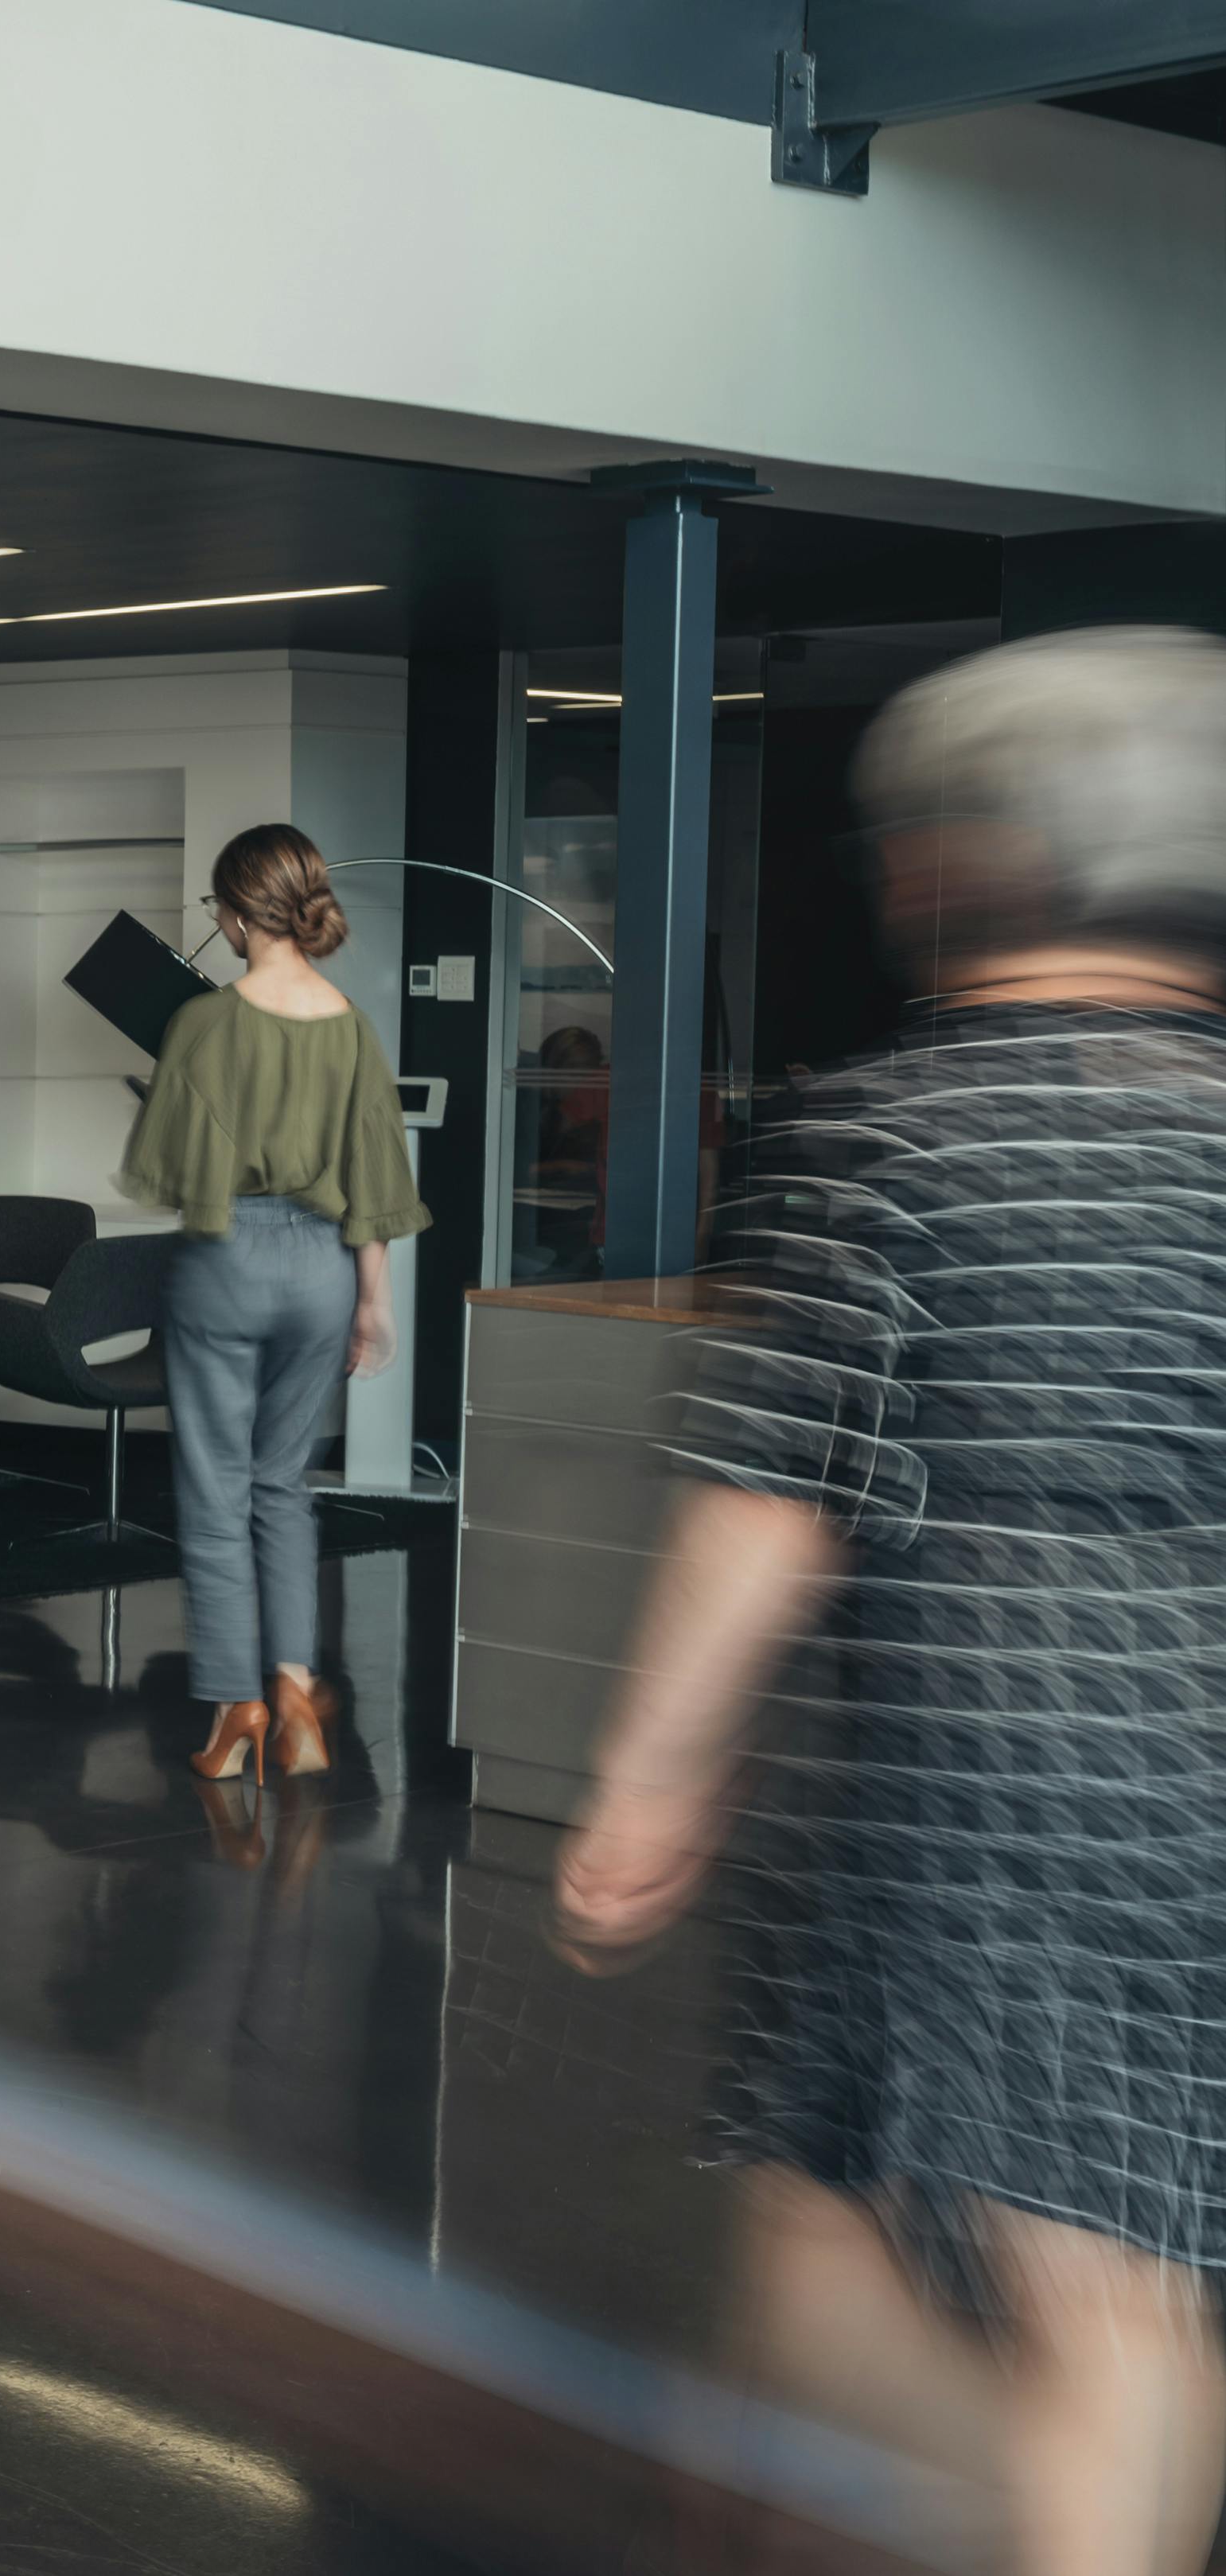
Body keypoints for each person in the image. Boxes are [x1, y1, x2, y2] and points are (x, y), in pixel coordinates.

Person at [557, 628, 1226, 2576]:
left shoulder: (892, 1138)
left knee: (861, 2197)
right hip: (1200, 1776)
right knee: (1124, 2263)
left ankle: (874, 2510)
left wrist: (647, 1788)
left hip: (967, 1780)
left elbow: (771, 1512)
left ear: (957, 862)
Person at [116, 824, 428, 1783]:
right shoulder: (348, 1024)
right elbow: (377, 1176)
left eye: (216, 908)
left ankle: (234, 1703)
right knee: (281, 1488)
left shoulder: (205, 1025)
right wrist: (372, 1304)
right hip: (326, 1271)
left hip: (229, 1256)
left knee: (214, 1497)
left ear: (238, 913)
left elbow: (167, 1172)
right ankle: (296, 1684)